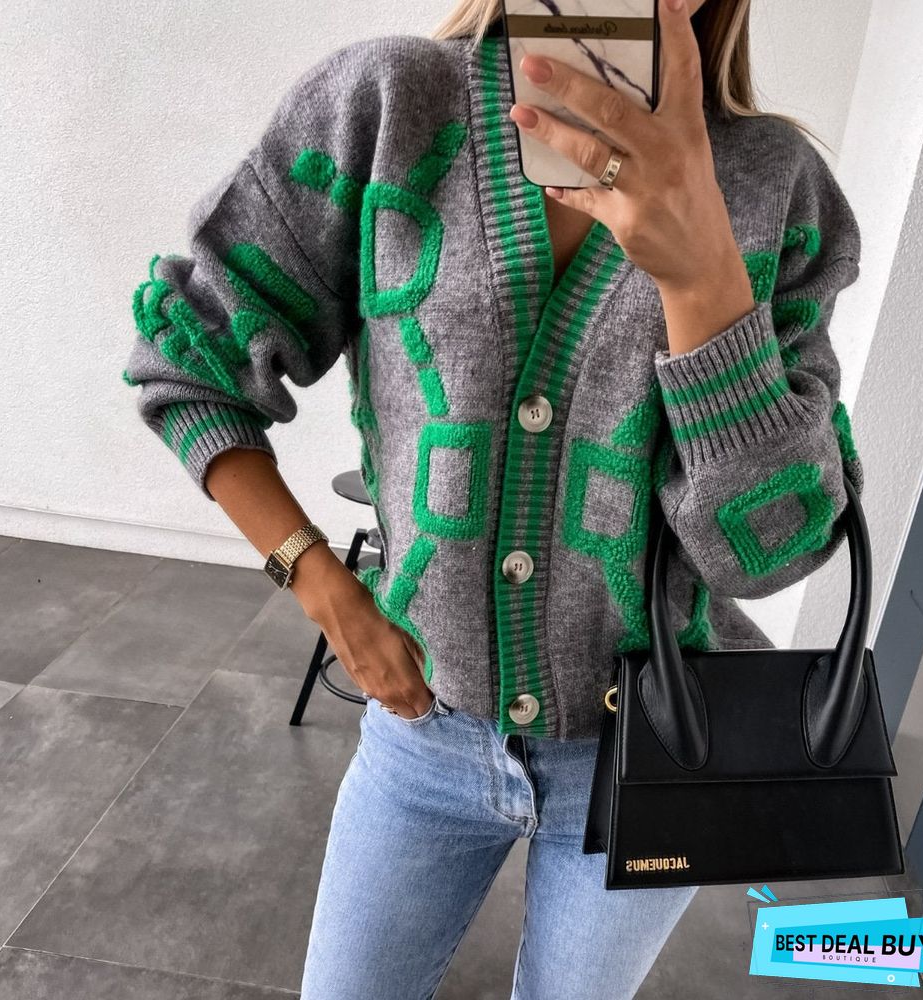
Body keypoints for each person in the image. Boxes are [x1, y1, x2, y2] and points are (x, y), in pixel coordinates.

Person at [122, 0, 865, 995]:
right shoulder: (389, 108)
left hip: (660, 745)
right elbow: (188, 360)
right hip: (424, 733)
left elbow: (771, 551)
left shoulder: (777, 186)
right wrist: (324, 587)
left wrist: (703, 285)